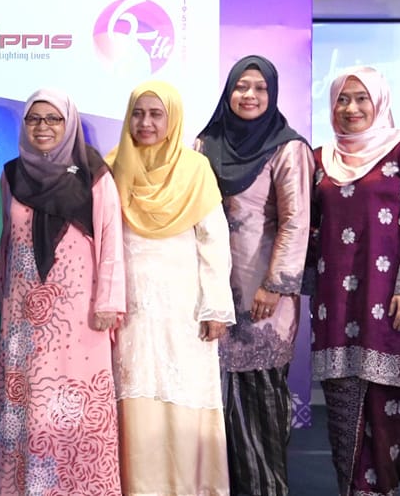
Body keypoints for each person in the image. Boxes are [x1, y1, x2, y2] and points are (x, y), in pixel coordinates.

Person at [309, 66, 400, 496]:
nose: (351, 108)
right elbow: (309, 229)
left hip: (389, 298)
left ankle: (381, 489)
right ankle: (350, 489)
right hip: (334, 302)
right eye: (343, 99)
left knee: (386, 404)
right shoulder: (320, 158)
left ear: (378, 101)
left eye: (361, 98)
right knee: (342, 405)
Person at [0, 88, 124, 495]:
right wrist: (2, 303)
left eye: (54, 120)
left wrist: (108, 303)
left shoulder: (94, 173)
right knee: (28, 407)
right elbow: (2, 244)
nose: (43, 127)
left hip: (78, 317)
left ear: (70, 125)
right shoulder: (11, 174)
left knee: (75, 409)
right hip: (23, 320)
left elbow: (110, 239)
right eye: (34, 119)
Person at [108, 80, 234, 495]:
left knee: (182, 396)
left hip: (185, 311)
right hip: (131, 310)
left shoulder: (195, 169)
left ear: (173, 118)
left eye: (156, 114)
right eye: (138, 113)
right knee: (136, 396)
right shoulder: (113, 167)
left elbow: (214, 241)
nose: (145, 123)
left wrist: (215, 307)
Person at [195, 55, 312, 496]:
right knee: (214, 401)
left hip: (262, 296)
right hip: (211, 293)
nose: (249, 96)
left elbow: (296, 221)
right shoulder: (206, 145)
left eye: (260, 88)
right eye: (241, 87)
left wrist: (275, 284)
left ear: (273, 94)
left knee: (260, 403)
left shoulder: (288, 149)